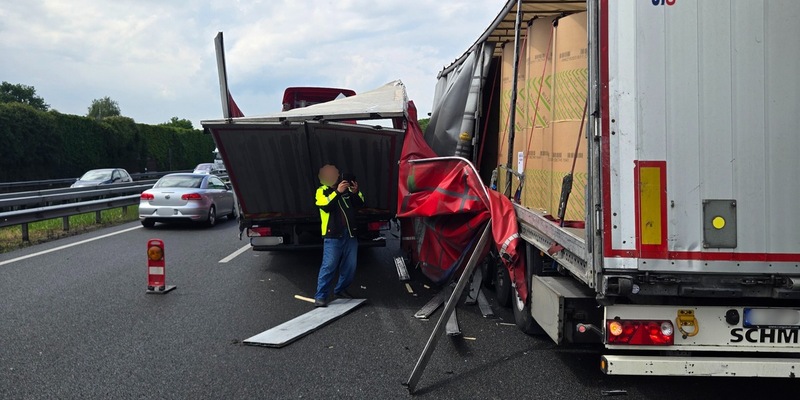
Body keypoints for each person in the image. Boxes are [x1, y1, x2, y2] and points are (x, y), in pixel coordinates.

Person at [313, 164, 365, 307]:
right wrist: (337, 192)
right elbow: (326, 206)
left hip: (350, 233)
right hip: (332, 235)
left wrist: (355, 192)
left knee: (350, 266)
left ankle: (340, 290)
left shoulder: (347, 191)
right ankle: (320, 296)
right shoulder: (322, 191)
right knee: (329, 265)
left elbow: (360, 204)